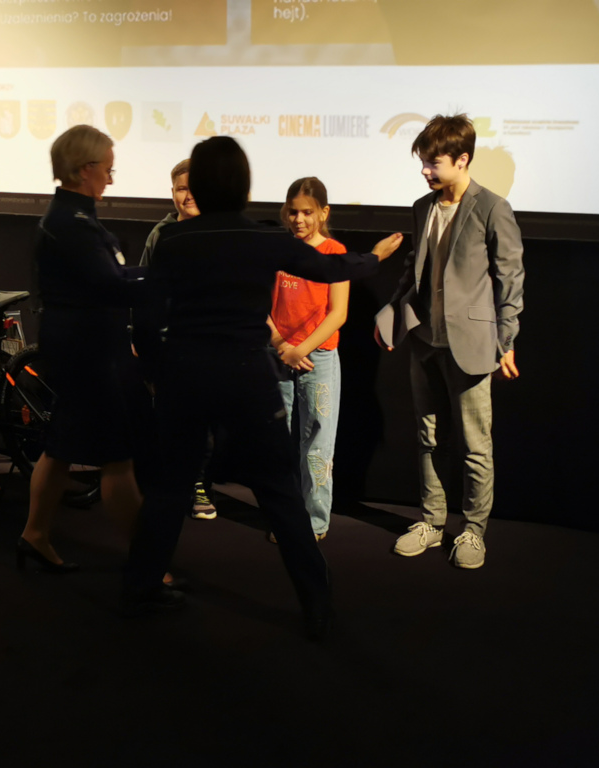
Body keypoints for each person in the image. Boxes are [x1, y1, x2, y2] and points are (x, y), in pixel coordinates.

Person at [125, 136, 403, 638]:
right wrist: (375, 257)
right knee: (280, 493)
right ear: (244, 187)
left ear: (199, 185)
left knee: (167, 489)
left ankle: (140, 589)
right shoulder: (260, 238)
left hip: (186, 377)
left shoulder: (173, 241)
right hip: (247, 378)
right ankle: (317, 607)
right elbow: (329, 267)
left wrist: (156, 369)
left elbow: (146, 320)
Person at [375, 114, 524, 569]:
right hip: (425, 340)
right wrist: (391, 314)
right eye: (423, 162)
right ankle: (432, 522)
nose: (425, 170)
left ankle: (473, 530)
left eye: (432, 162)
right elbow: (414, 270)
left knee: (476, 446)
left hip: (473, 343)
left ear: (462, 159)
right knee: (430, 438)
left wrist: (506, 340)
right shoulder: (423, 207)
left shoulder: (492, 207)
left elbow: (510, 278)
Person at [17, 124, 151, 573]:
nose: (111, 179)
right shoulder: (71, 224)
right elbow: (111, 286)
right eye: (107, 169)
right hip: (90, 351)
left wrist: (149, 275)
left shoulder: (70, 219)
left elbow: (112, 278)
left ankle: (35, 534)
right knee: (117, 457)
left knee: (60, 447)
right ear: (83, 169)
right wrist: (168, 279)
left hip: (77, 346)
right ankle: (147, 567)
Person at [268, 178, 349, 541]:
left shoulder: (334, 252)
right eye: (293, 212)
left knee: (317, 442)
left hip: (319, 357)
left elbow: (338, 312)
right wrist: (281, 344)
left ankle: (314, 521)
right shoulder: (278, 250)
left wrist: (301, 349)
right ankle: (284, 517)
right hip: (278, 354)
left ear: (323, 213)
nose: (298, 219)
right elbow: (260, 303)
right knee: (277, 442)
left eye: (307, 212)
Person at [138, 159, 216, 520]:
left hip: (205, 343)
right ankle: (167, 488)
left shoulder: (216, 232)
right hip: (167, 345)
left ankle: (198, 484)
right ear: (172, 193)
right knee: (166, 421)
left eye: (194, 188)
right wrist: (140, 337)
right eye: (182, 188)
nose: (188, 195)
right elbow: (144, 288)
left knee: (203, 423)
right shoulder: (160, 234)